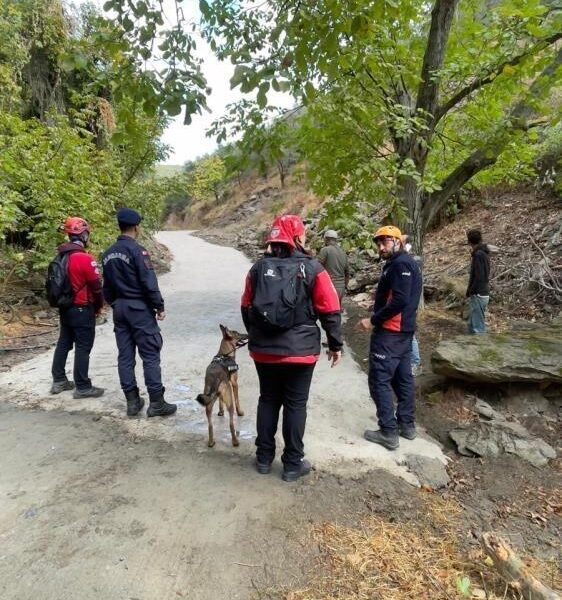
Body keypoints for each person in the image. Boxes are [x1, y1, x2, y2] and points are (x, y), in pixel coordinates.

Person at [241, 215, 343, 482]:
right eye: (304, 233)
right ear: (297, 237)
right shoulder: (313, 268)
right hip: (300, 351)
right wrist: (335, 345)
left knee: (268, 399)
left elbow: (246, 306)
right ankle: (291, 465)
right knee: (296, 404)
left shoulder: (257, 269)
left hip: (264, 351)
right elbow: (330, 309)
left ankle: (263, 458)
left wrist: (257, 335)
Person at [101, 208, 176, 418]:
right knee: (150, 355)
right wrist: (159, 306)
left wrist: (115, 304)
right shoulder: (138, 251)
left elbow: (106, 288)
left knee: (125, 356)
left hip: (120, 310)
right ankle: (156, 403)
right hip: (138, 309)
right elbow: (148, 282)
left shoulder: (107, 254)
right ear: (136, 227)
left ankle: (132, 402)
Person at [359, 225, 422, 450]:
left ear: (397, 241)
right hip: (403, 333)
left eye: (385, 242)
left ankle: (388, 431)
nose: (380, 246)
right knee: (402, 378)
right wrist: (375, 303)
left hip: (391, 334)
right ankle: (407, 425)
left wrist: (373, 319)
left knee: (379, 380)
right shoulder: (398, 263)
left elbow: (400, 301)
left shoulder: (401, 264)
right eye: (378, 243)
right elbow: (396, 297)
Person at [50, 217, 105, 398]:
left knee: (64, 342)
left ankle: (59, 380)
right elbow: (96, 288)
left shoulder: (61, 256)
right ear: (84, 235)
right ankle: (82, 386)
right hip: (82, 308)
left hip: (65, 308)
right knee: (83, 346)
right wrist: (99, 307)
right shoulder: (85, 258)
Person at [401, 234, 422, 376]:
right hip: (407, 308)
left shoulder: (412, 264)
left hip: (409, 308)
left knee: (410, 336)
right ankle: (410, 361)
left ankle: (415, 363)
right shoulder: (409, 262)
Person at [466, 229, 490, 334]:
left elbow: (479, 276)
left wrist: (472, 291)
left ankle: (481, 348)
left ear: (469, 242)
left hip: (478, 294)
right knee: (471, 325)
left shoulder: (478, 255)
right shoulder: (484, 253)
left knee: (478, 328)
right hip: (482, 293)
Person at [317, 230, 350, 305]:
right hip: (341, 289)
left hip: (329, 287)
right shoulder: (343, 253)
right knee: (337, 311)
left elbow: (317, 267)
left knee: (328, 313)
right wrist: (344, 286)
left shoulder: (325, 250)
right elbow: (347, 273)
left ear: (326, 239)